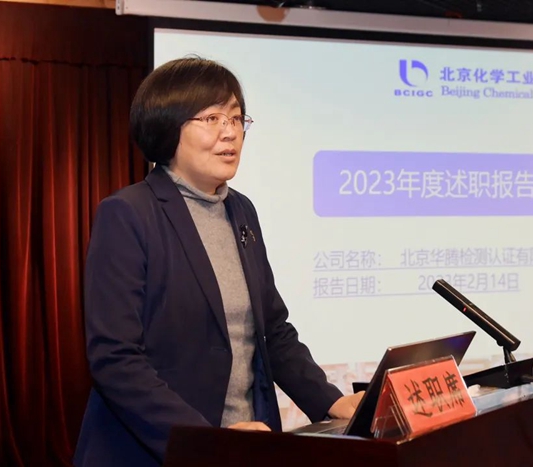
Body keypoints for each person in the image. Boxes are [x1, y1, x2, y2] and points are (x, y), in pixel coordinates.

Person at [73, 56, 362, 467]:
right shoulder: (129, 214)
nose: (230, 132)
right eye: (212, 118)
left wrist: (331, 402)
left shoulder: (241, 211)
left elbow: (273, 332)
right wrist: (205, 441)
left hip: (247, 445)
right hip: (158, 452)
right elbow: (115, 358)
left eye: (237, 118)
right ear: (168, 127)